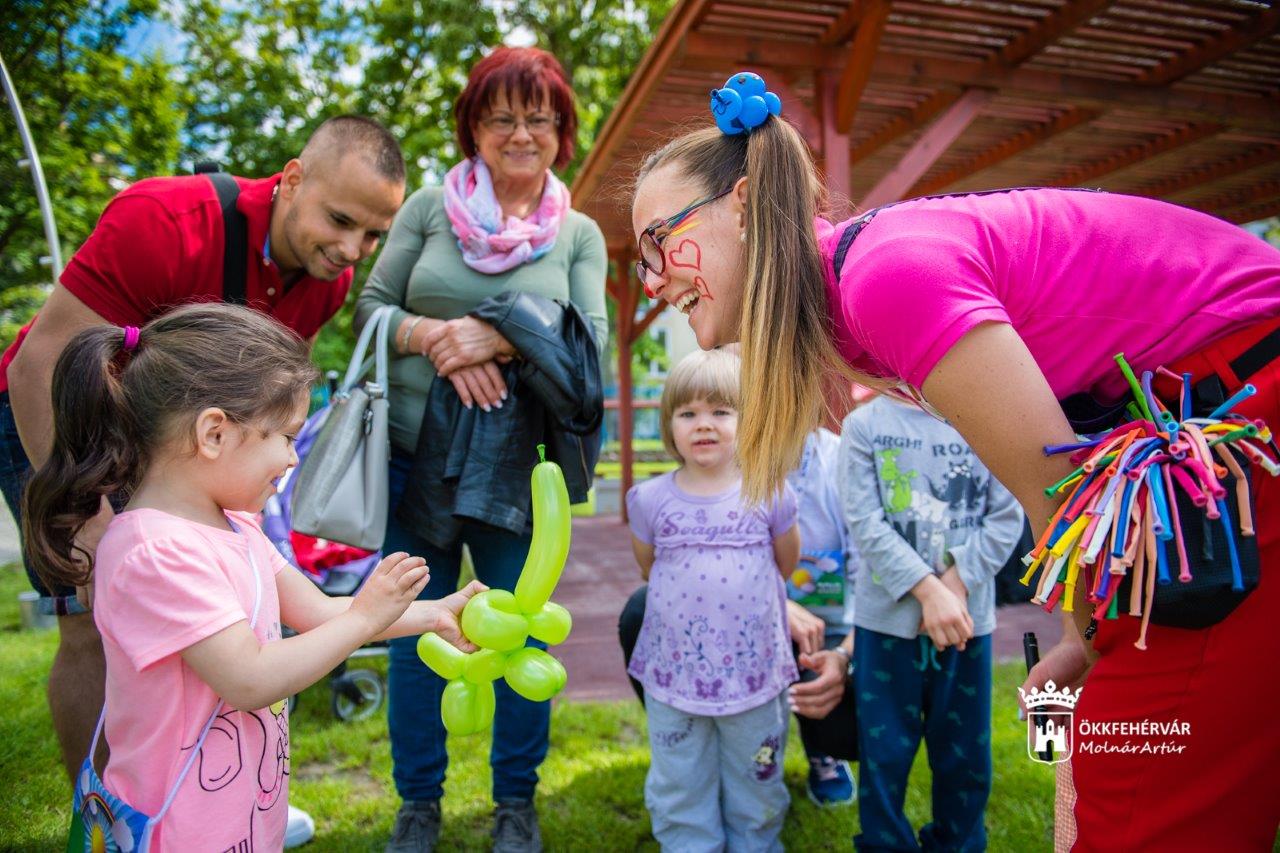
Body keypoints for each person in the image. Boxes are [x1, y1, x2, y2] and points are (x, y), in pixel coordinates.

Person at [630, 79, 1280, 849]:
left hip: (1241, 419)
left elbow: (1054, 488)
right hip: (1209, 437)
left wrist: (1091, 641)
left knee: (1132, 783)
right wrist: (1081, 637)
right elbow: (1060, 481)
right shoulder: (850, 298)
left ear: (741, 205)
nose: (650, 280)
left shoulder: (883, 277)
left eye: (657, 243)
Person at [0, 114, 407, 807]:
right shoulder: (162, 220)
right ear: (292, 179)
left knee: (227, 616)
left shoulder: (327, 281)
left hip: (179, 441)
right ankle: (103, 817)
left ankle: (210, 796)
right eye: (339, 220)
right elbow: (40, 364)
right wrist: (87, 519)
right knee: (91, 621)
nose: (350, 249)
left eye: (372, 235)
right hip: (56, 417)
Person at [22, 303, 480, 851]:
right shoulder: (156, 552)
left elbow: (317, 614)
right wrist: (363, 619)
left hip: (238, 817)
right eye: (284, 437)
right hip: (179, 831)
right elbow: (250, 679)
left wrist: (436, 613)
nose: (291, 459)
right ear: (213, 433)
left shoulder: (236, 527)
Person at [354, 46, 607, 853]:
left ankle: (515, 803)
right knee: (411, 630)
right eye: (501, 116)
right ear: (474, 127)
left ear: (562, 129)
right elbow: (368, 310)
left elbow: (587, 345)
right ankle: (417, 803)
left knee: (518, 633)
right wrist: (433, 337)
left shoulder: (579, 233)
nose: (520, 132)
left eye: (539, 116)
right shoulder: (429, 206)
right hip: (409, 463)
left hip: (517, 475)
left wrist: (496, 335)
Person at [625, 349, 799, 852]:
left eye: (721, 411)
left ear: (749, 420)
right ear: (670, 425)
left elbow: (785, 564)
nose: (704, 424)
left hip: (753, 672)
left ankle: (756, 842)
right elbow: (648, 567)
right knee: (680, 777)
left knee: (756, 773)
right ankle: (689, 843)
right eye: (688, 413)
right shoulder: (650, 499)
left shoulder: (769, 493)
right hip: (675, 673)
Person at [839, 393, 1022, 850]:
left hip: (966, 627)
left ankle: (958, 843)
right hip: (885, 629)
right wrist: (928, 591)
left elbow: (1007, 515)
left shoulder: (986, 417)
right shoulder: (863, 426)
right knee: (884, 756)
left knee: (966, 756)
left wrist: (954, 588)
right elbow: (865, 522)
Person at [782, 426, 861, 807]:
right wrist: (773, 603)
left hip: (833, 631)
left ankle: (825, 751)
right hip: (746, 619)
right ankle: (706, 751)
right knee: (643, 610)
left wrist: (845, 656)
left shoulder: (843, 457)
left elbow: (874, 576)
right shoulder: (726, 449)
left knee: (852, 723)